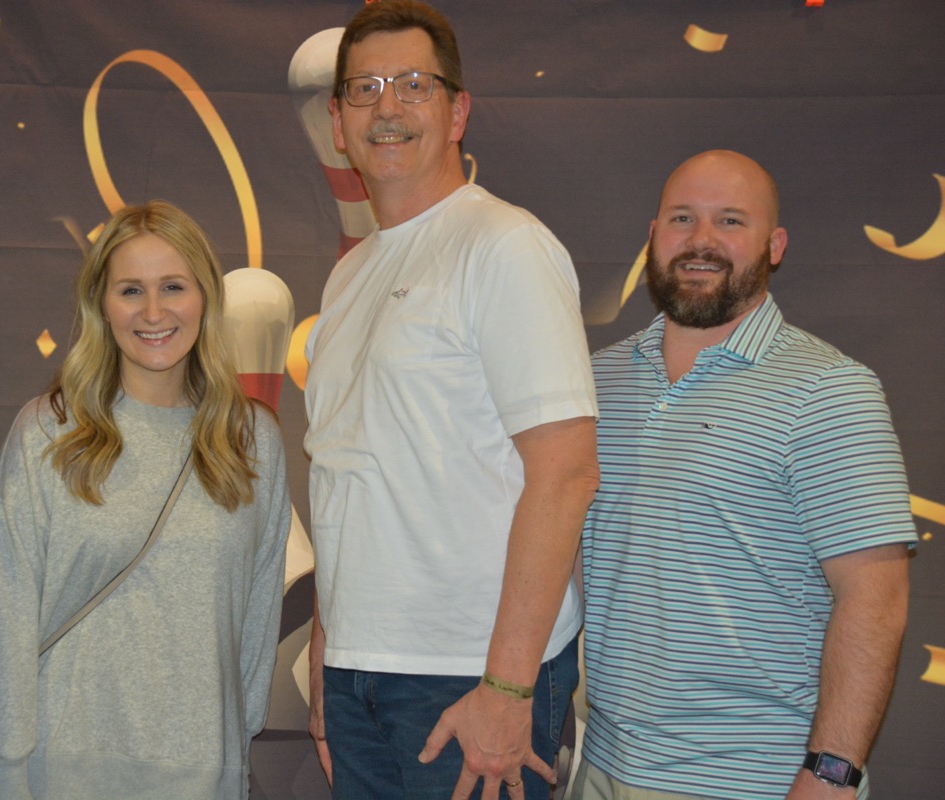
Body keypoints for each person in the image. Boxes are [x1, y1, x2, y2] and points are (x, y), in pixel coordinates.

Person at [302, 2, 599, 797]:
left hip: (470, 677)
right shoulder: (348, 276)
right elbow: (345, 471)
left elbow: (567, 473)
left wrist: (506, 687)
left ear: (458, 111)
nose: (387, 107)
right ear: (337, 123)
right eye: (364, 89)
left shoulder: (505, 245)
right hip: (358, 673)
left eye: (413, 84)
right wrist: (330, 649)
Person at [575, 150, 916, 800]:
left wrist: (832, 774)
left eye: (730, 220)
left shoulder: (830, 390)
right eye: (682, 218)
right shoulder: (594, 381)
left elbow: (875, 600)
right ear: (653, 234)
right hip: (599, 765)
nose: (701, 240)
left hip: (757, 778)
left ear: (774, 245)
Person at [0, 201, 290, 800]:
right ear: (101, 305)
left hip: (199, 770)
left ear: (206, 298)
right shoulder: (49, 431)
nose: (153, 312)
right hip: (55, 770)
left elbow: (258, 612)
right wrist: (1, 771)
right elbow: (4, 616)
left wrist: (234, 749)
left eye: (174, 287)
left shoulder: (251, 438)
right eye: (131, 289)